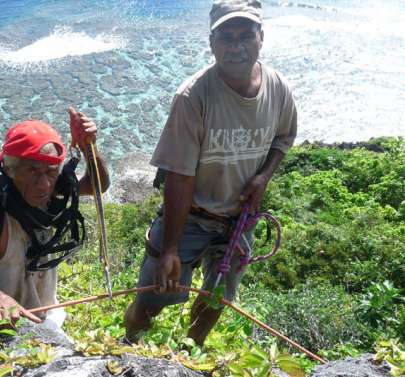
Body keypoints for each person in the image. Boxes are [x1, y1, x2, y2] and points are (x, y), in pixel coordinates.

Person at [124, 0, 297, 347]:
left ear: (261, 37)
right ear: (211, 42)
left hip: (237, 220)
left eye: (245, 35)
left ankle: (191, 353)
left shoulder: (278, 88)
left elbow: (283, 137)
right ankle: (129, 347)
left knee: (216, 298)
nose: (235, 46)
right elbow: (179, 176)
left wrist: (263, 177)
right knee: (151, 300)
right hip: (189, 218)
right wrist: (170, 247)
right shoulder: (193, 96)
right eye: (226, 37)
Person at [0, 107, 109, 330]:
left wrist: (88, 147)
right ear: (11, 169)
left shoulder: (47, 188)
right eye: (32, 171)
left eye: (50, 172)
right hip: (1, 323)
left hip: (46, 317)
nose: (43, 184)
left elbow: (97, 185)